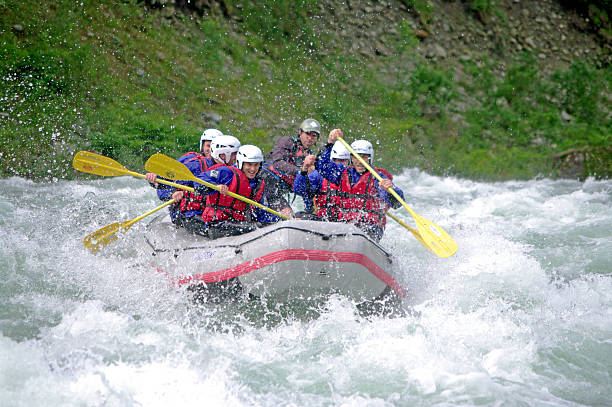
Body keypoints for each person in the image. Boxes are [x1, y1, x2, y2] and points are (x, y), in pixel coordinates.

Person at [314, 132, 405, 241]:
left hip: (370, 228)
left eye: (364, 157)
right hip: (344, 225)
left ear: (370, 158)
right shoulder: (342, 173)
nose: (359, 162)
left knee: (357, 232)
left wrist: (391, 190)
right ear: (351, 157)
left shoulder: (378, 178)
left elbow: (397, 203)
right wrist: (330, 143)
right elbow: (322, 166)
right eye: (356, 157)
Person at [144, 128, 222, 222]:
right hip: (187, 211)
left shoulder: (225, 167)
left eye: (214, 147)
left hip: (211, 210)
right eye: (208, 146)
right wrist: (173, 193)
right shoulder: (191, 160)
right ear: (202, 146)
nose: (211, 150)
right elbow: (168, 181)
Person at [263, 118, 322, 194]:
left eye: (314, 135)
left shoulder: (310, 155)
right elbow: (277, 163)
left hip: (283, 189)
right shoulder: (287, 142)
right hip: (268, 179)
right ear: (300, 132)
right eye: (307, 133)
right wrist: (301, 171)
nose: (310, 138)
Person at [293, 140, 350, 215]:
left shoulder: (351, 176)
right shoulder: (318, 176)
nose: (340, 164)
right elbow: (299, 190)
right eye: (337, 160)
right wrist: (304, 170)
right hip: (321, 218)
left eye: (343, 161)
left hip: (343, 218)